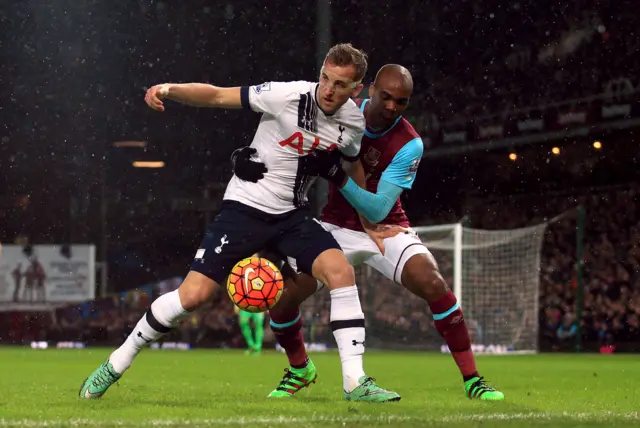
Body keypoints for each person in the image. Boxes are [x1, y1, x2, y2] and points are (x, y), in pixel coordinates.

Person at [79, 43, 399, 402]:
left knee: (340, 271)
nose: (328, 89)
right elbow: (216, 96)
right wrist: (169, 89)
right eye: (325, 78)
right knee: (193, 296)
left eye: (340, 84)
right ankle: (116, 362)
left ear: (356, 89)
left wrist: (367, 219)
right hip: (244, 208)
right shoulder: (286, 95)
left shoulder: (353, 122)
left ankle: (355, 382)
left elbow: (352, 165)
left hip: (292, 216)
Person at [232, 64, 505, 401]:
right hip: (334, 227)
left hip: (386, 229)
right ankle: (300, 369)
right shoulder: (340, 112)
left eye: (401, 102)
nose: (391, 106)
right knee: (282, 297)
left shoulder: (410, 143)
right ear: (371, 89)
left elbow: (376, 210)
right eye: (386, 97)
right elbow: (293, 145)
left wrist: (337, 175)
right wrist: (250, 162)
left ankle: (473, 379)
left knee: (434, 283)